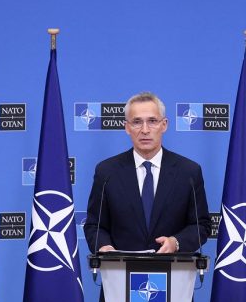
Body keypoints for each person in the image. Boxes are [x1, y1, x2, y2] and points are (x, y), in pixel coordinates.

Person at [84, 91, 211, 257]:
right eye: (137, 122)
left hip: (172, 273)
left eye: (152, 121)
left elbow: (201, 225)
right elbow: (95, 225)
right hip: (119, 273)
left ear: (164, 125)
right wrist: (104, 246)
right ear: (127, 127)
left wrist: (176, 242)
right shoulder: (107, 171)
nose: (145, 130)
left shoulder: (188, 171)